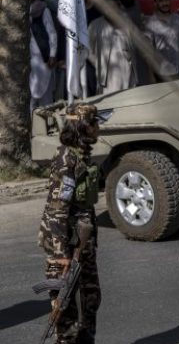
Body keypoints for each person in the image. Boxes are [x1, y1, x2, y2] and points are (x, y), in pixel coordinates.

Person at [38, 103, 102, 343]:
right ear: (84, 125)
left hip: (82, 243)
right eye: (95, 122)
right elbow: (57, 208)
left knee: (91, 298)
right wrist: (61, 252)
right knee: (64, 306)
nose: (99, 127)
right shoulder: (67, 159)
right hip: (66, 245)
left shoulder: (81, 153)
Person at [145, 0, 179, 81]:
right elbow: (148, 52)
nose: (165, 3)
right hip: (163, 74)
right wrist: (151, 76)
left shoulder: (177, 18)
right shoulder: (151, 24)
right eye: (161, 1)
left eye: (166, 0)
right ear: (156, 3)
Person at [88, 14, 137, 95]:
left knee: (128, 97)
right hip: (107, 75)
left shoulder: (126, 22)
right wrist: (98, 63)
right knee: (110, 99)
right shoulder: (95, 24)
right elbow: (87, 48)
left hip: (126, 69)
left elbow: (134, 43)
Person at [29, 0, 58, 111]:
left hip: (44, 60)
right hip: (28, 61)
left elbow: (52, 33)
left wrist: (52, 54)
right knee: (30, 99)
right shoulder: (18, 12)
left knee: (46, 99)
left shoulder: (43, 10)